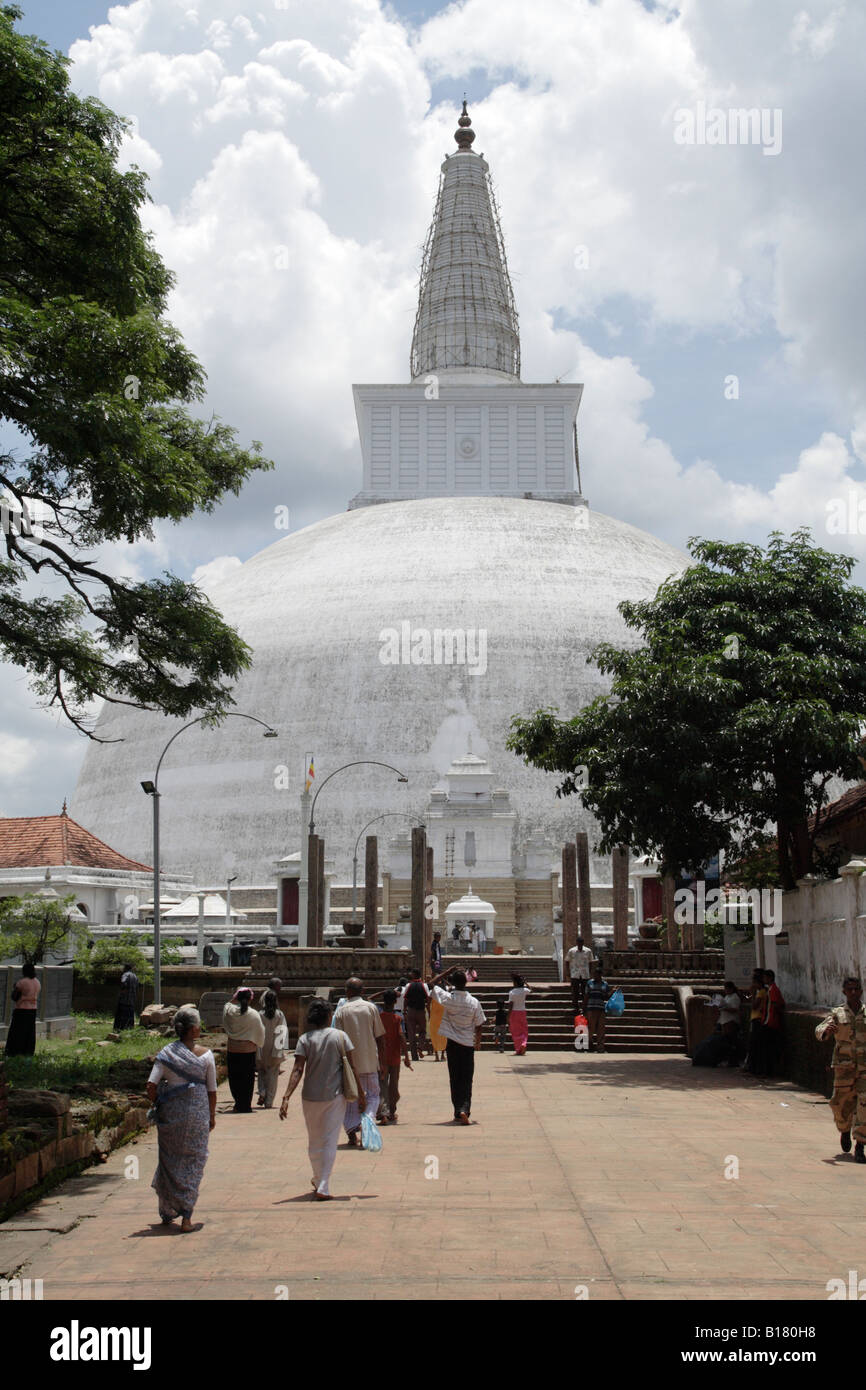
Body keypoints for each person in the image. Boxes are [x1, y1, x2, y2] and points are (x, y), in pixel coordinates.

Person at [280, 998, 366, 1199]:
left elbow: (297, 1069)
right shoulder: (341, 1037)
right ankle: (323, 1185)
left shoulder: (305, 1039)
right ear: (329, 1016)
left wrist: (286, 1097)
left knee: (315, 1140)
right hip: (334, 1096)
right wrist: (361, 1094)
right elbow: (353, 1068)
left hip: (310, 1096)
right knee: (329, 1139)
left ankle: (319, 1179)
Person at [146, 1005, 216, 1231]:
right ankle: (186, 1215)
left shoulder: (166, 1054)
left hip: (171, 1116)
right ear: (195, 1030)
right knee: (194, 1161)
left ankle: (167, 1209)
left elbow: (151, 1085)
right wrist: (212, 1116)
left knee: (170, 1160)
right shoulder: (206, 1056)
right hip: (197, 1115)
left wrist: (159, 1103)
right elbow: (212, 1091)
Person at [816, 976, 866, 1162]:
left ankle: (860, 1144)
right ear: (844, 992)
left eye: (856, 989)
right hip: (844, 1068)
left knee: (864, 1105)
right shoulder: (837, 1013)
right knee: (840, 1104)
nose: (853, 992)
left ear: (861, 991)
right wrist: (826, 1031)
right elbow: (820, 1030)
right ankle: (845, 1129)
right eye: (850, 989)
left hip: (864, 1068)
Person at [333, 978, 386, 1147]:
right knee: (372, 1097)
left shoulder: (341, 1012)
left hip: (349, 1065)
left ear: (347, 991)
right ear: (362, 991)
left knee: (348, 1100)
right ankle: (367, 1122)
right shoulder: (371, 1008)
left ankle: (351, 1133)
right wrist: (382, 1062)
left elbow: (338, 1040)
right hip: (370, 1061)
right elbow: (380, 1037)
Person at [430, 968, 486, 1124]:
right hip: (468, 1044)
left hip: (452, 1044)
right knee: (467, 1079)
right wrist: (478, 1041)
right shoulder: (474, 1002)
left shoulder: (448, 998)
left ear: (453, 983)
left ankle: (457, 1110)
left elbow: (430, 985)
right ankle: (464, 1109)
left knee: (454, 1078)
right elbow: (480, 1023)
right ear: (466, 982)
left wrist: (446, 972)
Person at [222, 987, 265, 1112]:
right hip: (248, 1050)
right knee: (247, 1079)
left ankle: (238, 1102)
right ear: (250, 1000)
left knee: (234, 1078)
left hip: (233, 1048)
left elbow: (228, 1004)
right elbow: (260, 1033)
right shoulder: (253, 1014)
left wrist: (235, 997)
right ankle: (245, 1104)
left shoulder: (229, 1011)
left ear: (237, 997)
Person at [377, 989, 412, 1123]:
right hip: (395, 1057)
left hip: (381, 1057)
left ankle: (383, 1112)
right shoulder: (397, 1018)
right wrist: (407, 1057)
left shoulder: (379, 1018)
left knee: (382, 1085)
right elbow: (401, 1036)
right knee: (393, 1085)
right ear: (395, 1002)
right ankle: (391, 1111)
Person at [256, 988, 289, 1108]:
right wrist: (279, 1051)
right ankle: (269, 1101)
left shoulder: (259, 1014)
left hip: (261, 1046)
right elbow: (282, 1032)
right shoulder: (279, 1015)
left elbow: (257, 1032)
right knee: (273, 1075)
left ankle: (262, 1091)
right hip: (275, 1046)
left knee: (261, 1071)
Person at [4, 962, 40, 1057]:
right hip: (33, 1010)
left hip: (21, 1010)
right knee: (29, 1032)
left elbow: (14, 996)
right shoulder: (37, 982)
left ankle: (14, 1052)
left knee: (17, 1032)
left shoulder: (22, 982)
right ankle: (27, 1052)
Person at [741, 970, 767, 1074]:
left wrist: (752, 994)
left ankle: (755, 1068)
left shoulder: (761, 992)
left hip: (758, 1019)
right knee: (753, 1044)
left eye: (754, 982)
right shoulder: (760, 992)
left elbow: (754, 1006)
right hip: (756, 1018)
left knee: (755, 1044)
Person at [402, 968, 430, 1061]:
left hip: (411, 1011)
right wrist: (429, 1011)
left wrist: (404, 1010)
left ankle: (414, 1055)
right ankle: (420, 1047)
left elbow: (406, 999)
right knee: (423, 1031)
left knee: (411, 1033)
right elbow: (427, 999)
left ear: (413, 975)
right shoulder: (424, 985)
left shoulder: (408, 985)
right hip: (421, 1011)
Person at [761, 970, 785, 1076]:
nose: (764, 980)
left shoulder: (773, 990)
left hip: (771, 1022)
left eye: (765, 978)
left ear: (770, 978)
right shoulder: (770, 989)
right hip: (768, 1021)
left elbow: (776, 1004)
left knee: (769, 1048)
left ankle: (769, 1071)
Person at [585, 966, 612, 1052]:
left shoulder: (605, 984)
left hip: (601, 1009)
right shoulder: (589, 983)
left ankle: (600, 1047)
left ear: (600, 975)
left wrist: (612, 992)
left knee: (601, 1028)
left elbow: (606, 996)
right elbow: (586, 996)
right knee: (591, 1028)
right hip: (591, 1008)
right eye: (594, 974)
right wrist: (584, 1008)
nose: (595, 976)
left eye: (596, 975)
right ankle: (589, 1045)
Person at [565, 937, 594, 1013]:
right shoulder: (572, 951)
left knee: (585, 992)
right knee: (575, 992)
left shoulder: (588, 951)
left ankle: (584, 1007)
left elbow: (591, 962)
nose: (580, 944)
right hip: (575, 974)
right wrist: (568, 971)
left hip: (585, 974)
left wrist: (590, 972)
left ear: (583, 943)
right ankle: (576, 1007)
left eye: (581, 942)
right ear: (576, 943)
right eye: (578, 942)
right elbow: (567, 961)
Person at [507, 973, 531, 1055]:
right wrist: (526, 982)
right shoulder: (524, 990)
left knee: (515, 1031)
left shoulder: (512, 992)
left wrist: (508, 1016)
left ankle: (518, 1048)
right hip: (522, 1012)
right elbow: (531, 989)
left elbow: (511, 1005)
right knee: (524, 1030)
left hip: (514, 1012)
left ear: (516, 983)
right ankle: (523, 1044)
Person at [113, 962, 139, 1032]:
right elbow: (137, 987)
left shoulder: (126, 975)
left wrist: (122, 991)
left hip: (124, 1000)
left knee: (121, 1016)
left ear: (126, 968)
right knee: (130, 1017)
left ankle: (119, 1030)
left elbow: (123, 982)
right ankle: (129, 1029)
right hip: (132, 1001)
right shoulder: (135, 976)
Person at [428, 979, 448, 1062]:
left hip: (434, 1016)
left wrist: (429, 1013)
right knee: (444, 1035)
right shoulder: (446, 994)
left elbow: (427, 1003)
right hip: (443, 1016)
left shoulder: (432, 993)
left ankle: (436, 1055)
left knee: (434, 1034)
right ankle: (443, 1055)